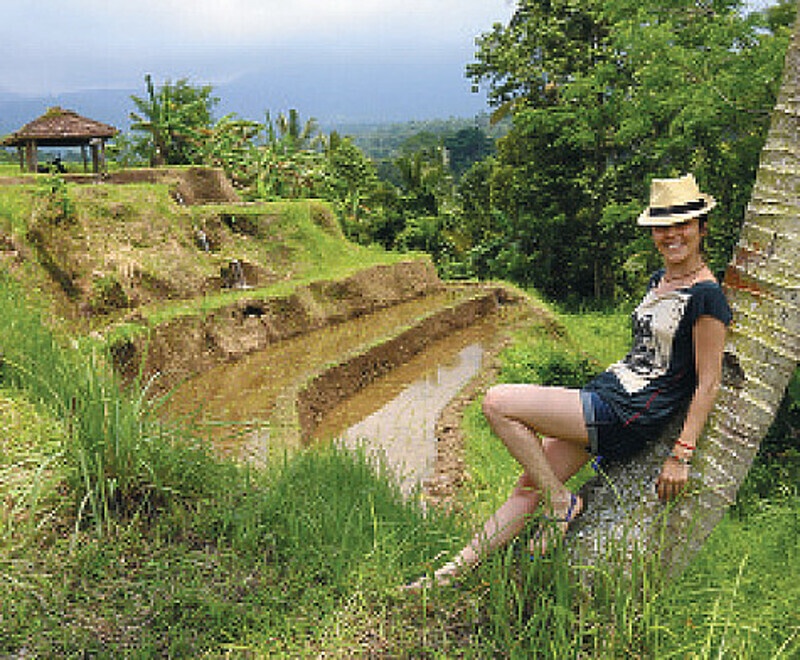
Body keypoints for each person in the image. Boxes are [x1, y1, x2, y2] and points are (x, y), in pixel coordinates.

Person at [405, 173, 732, 590]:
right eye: (662, 226)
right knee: (528, 486)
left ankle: (562, 502)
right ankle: (446, 577)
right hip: (608, 394)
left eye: (682, 224)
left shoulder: (707, 298)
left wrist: (681, 455)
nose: (671, 234)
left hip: (627, 414)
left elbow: (708, 383)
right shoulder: (659, 281)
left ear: (702, 228)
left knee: (497, 401)